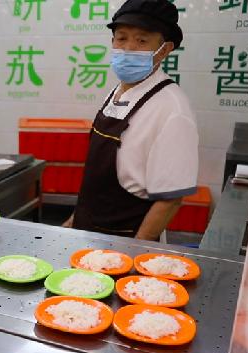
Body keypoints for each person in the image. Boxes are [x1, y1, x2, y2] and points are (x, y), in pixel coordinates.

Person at [64, 0, 199, 240]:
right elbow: (98, 181)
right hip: (87, 231)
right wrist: (75, 221)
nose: (128, 48)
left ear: (165, 49)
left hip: (126, 240)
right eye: (121, 38)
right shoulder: (117, 92)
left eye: (142, 40)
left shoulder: (172, 108)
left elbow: (170, 200)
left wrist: (134, 255)